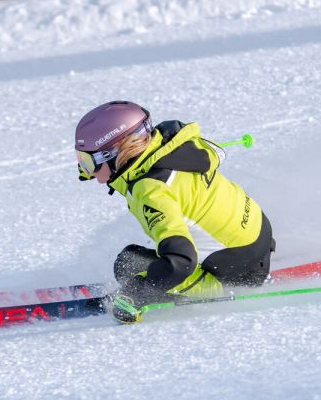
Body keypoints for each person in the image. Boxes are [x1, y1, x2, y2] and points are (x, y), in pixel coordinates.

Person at [74, 101, 275, 323]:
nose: (88, 174)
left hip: (235, 276)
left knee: (128, 264)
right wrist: (93, 164)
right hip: (259, 235)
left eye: (88, 164)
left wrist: (135, 295)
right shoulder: (174, 146)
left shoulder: (151, 189)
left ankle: (203, 290)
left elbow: (181, 262)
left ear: (115, 154)